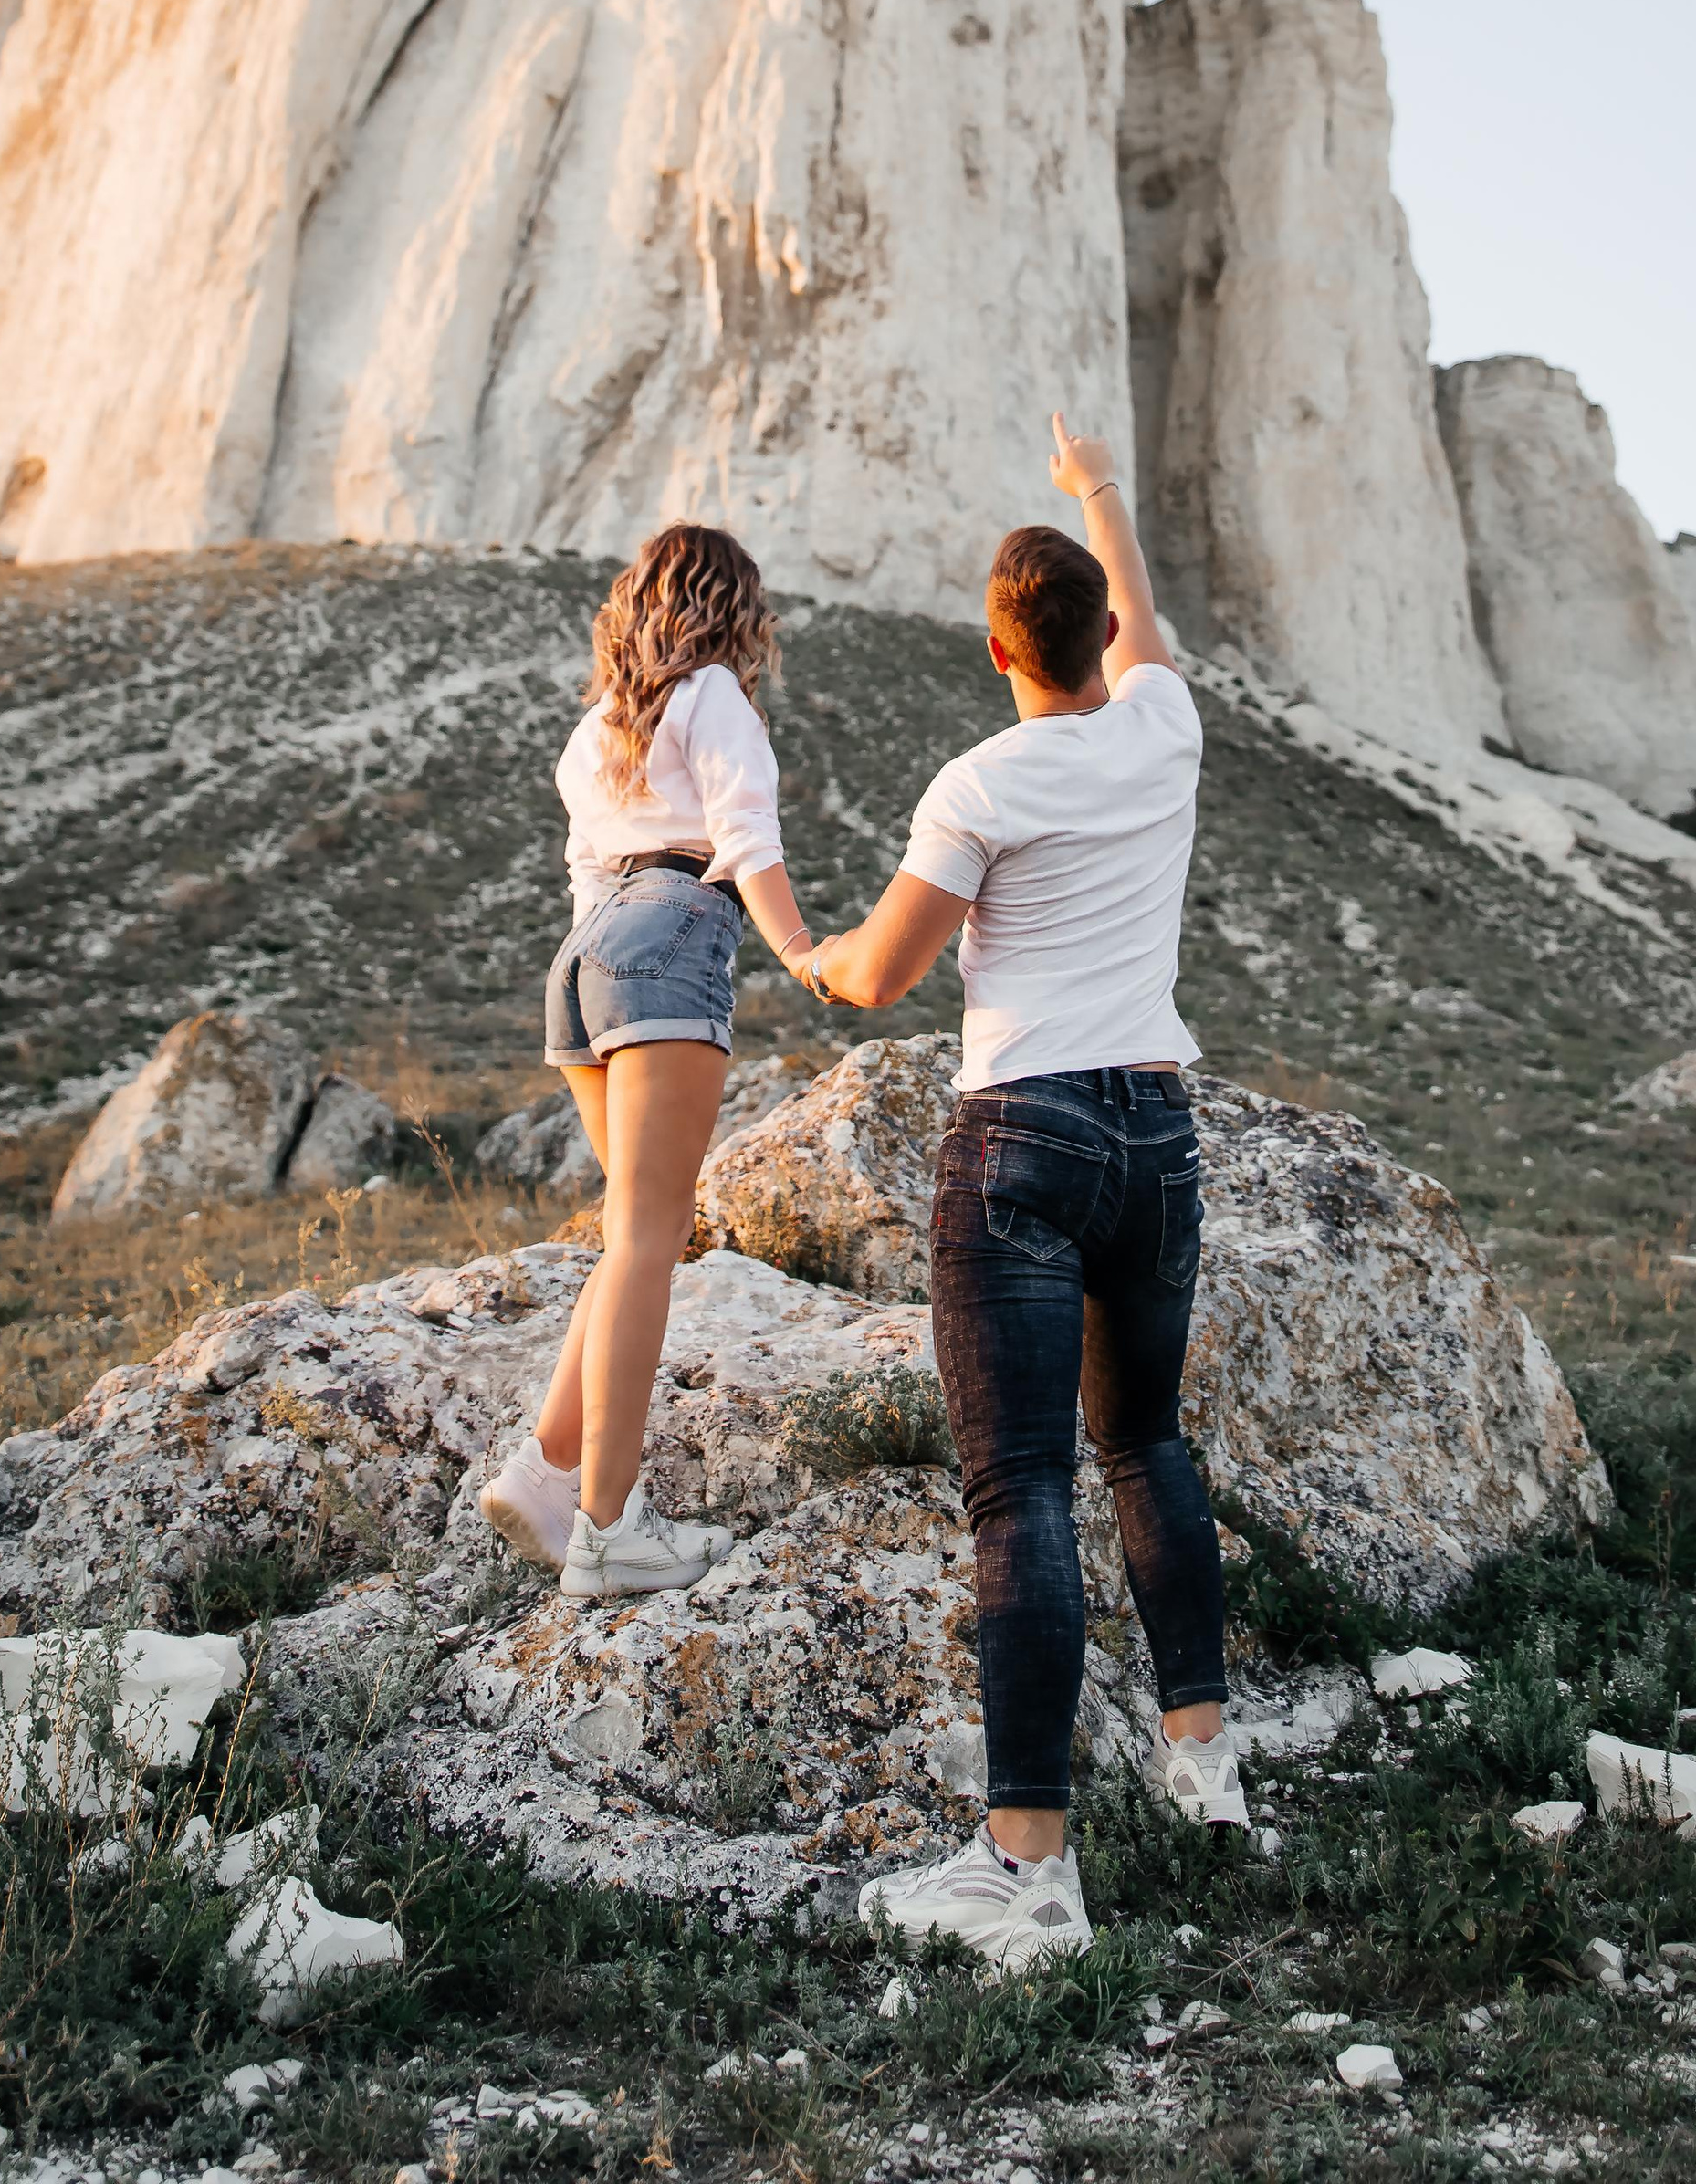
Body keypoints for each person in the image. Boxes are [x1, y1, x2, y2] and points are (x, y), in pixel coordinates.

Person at [801, 414, 1241, 1970]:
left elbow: (881, 973)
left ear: (996, 647)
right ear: (1105, 639)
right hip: (1158, 1132)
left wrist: (811, 954)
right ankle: (1204, 1758)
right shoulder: (1165, 728)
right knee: (1149, 1444)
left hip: (1024, 1140)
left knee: (1023, 1492)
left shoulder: (979, 784)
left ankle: (1031, 1869)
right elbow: (1144, 610)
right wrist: (1100, 489)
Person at [478, 521, 822, 1601]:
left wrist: (616, 959)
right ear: (734, 610)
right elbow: (746, 834)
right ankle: (610, 1528)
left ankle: (546, 1473)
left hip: (586, 955)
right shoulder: (712, 693)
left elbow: (587, 878)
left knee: (637, 1233)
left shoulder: (597, 727)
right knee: (645, 1239)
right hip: (671, 928)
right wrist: (801, 951)